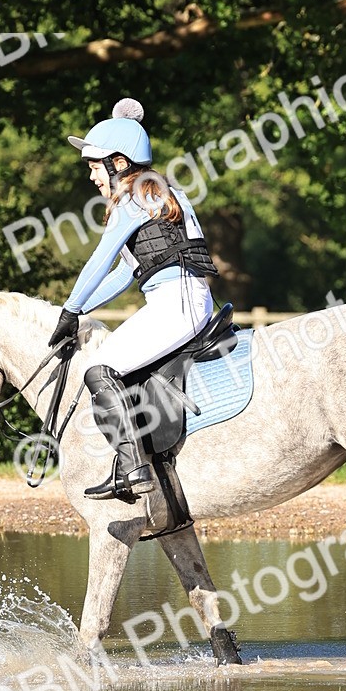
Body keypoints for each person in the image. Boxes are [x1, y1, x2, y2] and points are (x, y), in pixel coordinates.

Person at [48, 98, 218, 501]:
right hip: (180, 301)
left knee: (98, 369)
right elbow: (124, 273)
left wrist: (70, 309)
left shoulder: (136, 195)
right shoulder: (155, 190)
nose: (91, 176)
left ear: (119, 163)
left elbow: (99, 259)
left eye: (94, 166)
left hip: (177, 304)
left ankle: (133, 469)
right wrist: (77, 312)